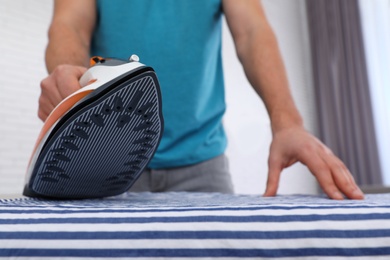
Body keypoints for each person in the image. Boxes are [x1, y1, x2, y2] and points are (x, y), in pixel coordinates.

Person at [39, 0, 364, 200]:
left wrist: (288, 124)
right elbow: (69, 24)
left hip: (203, 165)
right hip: (103, 160)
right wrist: (71, 76)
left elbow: (252, 31)